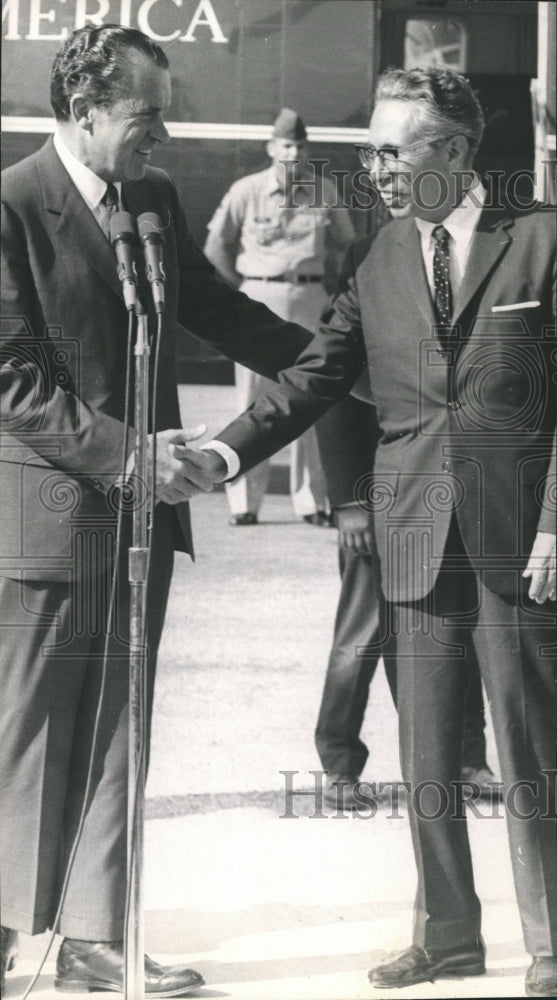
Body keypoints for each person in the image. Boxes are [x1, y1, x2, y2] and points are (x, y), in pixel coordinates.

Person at [0, 25, 364, 994]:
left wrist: (345, 354)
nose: (160, 131)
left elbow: (219, 311)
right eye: (144, 113)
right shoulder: (11, 205)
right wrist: (129, 457)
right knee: (28, 725)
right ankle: (0, 923)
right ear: (83, 113)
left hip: (141, 515)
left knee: (124, 724)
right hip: (49, 517)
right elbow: (12, 378)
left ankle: (93, 935)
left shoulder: (152, 198)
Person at [180, 67, 556, 997]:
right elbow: (313, 377)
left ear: (456, 151)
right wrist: (222, 456)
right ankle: (447, 936)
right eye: (370, 150)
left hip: (521, 546)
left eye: (392, 149)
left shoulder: (541, 241)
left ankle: (550, 945)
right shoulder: (382, 255)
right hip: (415, 538)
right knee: (426, 752)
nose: (375, 168)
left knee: (531, 752)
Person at [314, 393, 498, 809]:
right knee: (360, 638)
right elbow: (333, 398)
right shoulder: (363, 323)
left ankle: (467, 758)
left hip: (448, 499)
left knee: (457, 630)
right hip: (378, 500)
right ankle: (340, 765)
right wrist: (348, 500)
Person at [204, 107, 355, 526]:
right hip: (258, 293)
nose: (294, 152)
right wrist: (242, 289)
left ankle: (310, 501)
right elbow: (215, 247)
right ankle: (245, 503)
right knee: (253, 400)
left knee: (312, 396)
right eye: (287, 144)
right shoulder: (246, 190)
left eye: (301, 145)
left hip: (310, 297)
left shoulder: (325, 190)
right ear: (271, 147)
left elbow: (347, 245)